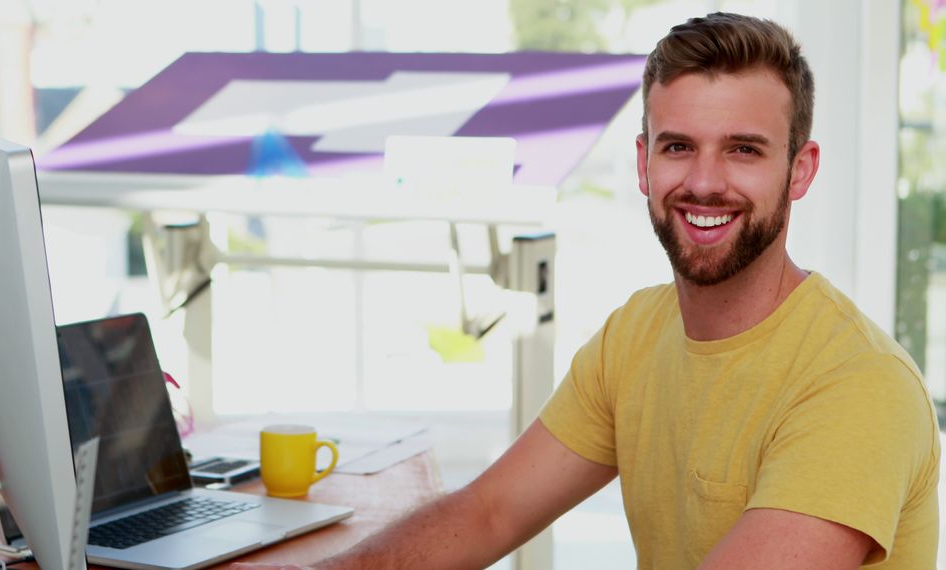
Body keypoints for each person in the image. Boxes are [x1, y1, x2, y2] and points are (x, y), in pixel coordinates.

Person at [232, 12, 940, 569]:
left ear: (800, 170)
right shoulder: (637, 333)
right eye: (678, 146)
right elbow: (490, 514)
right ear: (643, 162)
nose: (703, 181)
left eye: (743, 150)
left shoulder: (856, 387)